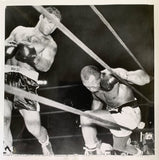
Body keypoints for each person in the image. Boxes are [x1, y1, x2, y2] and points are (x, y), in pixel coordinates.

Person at [4, 7, 62, 155]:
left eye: (56, 25)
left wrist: (31, 57)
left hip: (25, 81)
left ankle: (45, 142)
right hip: (5, 75)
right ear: (41, 17)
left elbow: (45, 66)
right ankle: (6, 150)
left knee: (34, 128)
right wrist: (6, 47)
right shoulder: (19, 30)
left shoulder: (50, 44)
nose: (52, 27)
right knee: (3, 119)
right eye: (50, 22)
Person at [80, 65, 150, 155]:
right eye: (88, 87)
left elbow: (146, 79)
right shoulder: (94, 91)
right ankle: (139, 153)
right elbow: (96, 106)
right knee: (120, 147)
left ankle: (92, 152)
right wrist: (88, 126)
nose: (91, 89)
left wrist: (126, 76)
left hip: (128, 113)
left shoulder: (112, 74)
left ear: (100, 76)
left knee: (85, 116)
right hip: (117, 118)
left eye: (93, 85)